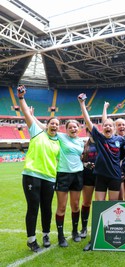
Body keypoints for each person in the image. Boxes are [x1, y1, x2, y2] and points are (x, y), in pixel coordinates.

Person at [18, 86, 60, 252]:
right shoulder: (36, 132)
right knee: (33, 207)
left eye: (57, 124)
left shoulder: (59, 142)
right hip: (32, 176)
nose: (55, 125)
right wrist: (21, 98)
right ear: (46, 125)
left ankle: (46, 235)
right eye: (52, 123)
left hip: (49, 178)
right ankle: (31, 239)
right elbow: (27, 115)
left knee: (47, 208)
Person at [78, 93, 125, 201]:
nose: (108, 127)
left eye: (110, 125)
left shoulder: (120, 140)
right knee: (99, 204)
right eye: (105, 125)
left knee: (113, 205)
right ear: (102, 128)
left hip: (115, 176)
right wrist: (82, 104)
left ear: (114, 129)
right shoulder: (99, 138)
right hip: (100, 176)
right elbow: (88, 121)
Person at [53, 120, 84, 247]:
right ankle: (60, 236)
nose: (73, 129)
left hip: (78, 174)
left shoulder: (81, 142)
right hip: (63, 174)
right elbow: (46, 127)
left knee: (76, 205)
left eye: (75, 127)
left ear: (78, 128)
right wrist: (32, 116)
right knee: (61, 206)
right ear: (66, 129)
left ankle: (75, 232)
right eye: (70, 127)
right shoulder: (60, 137)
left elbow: (81, 157)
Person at [102, 101, 125, 200]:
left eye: (123, 124)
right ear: (115, 127)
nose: (121, 126)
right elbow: (105, 122)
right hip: (117, 170)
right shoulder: (112, 138)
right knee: (119, 196)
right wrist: (105, 108)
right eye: (119, 125)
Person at [80, 129, 98, 239]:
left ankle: (99, 227)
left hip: (100, 176)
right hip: (88, 176)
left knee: (100, 202)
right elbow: (79, 159)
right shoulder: (84, 145)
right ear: (87, 133)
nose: (91, 133)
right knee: (86, 202)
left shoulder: (102, 143)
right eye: (89, 131)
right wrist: (85, 164)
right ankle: (84, 228)